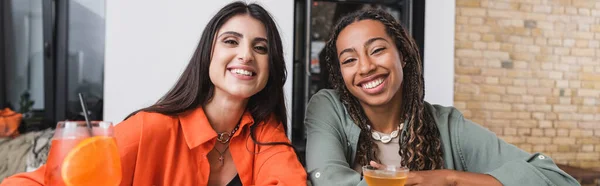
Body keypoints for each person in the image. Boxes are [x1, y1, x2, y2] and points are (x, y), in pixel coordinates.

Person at [2, 2, 306, 185]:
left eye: (260, 48)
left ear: (270, 65)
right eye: (230, 41)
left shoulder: (264, 131)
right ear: (207, 54)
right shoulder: (151, 127)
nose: (246, 55)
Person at [304, 8, 579, 186]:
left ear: (403, 55)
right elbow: (328, 180)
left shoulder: (447, 125)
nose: (365, 67)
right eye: (349, 59)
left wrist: (450, 178)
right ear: (341, 75)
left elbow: (557, 180)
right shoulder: (328, 108)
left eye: (377, 50)